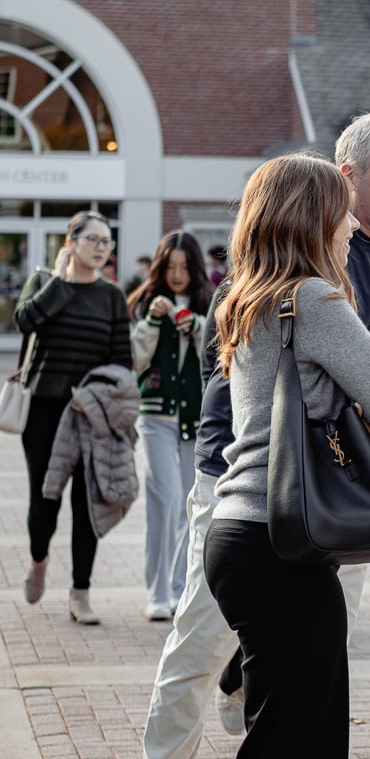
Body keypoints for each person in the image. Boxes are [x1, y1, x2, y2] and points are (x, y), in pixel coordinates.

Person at [142, 112, 370, 758]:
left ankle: (236, 688)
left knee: (297, 703)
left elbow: (355, 385)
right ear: (326, 206)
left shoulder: (253, 294)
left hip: (281, 515)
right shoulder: (314, 297)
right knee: (285, 707)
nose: (350, 227)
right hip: (269, 510)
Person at [14, 211, 133, 624]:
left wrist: (96, 396)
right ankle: (39, 559)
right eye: (93, 240)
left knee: (87, 504)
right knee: (43, 500)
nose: (102, 247)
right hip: (45, 409)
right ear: (72, 243)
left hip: (90, 413)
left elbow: (122, 362)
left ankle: (80, 593)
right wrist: (62, 285)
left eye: (107, 241)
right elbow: (24, 321)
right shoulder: (46, 282)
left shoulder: (112, 296)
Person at [128, 230, 213, 621]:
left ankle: (179, 589)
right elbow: (135, 359)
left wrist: (193, 324)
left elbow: (217, 356)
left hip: (194, 420)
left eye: (184, 267)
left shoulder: (208, 304)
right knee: (163, 501)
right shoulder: (146, 302)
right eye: (170, 267)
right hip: (157, 417)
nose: (177, 274)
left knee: (188, 505)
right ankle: (157, 592)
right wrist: (151, 320)